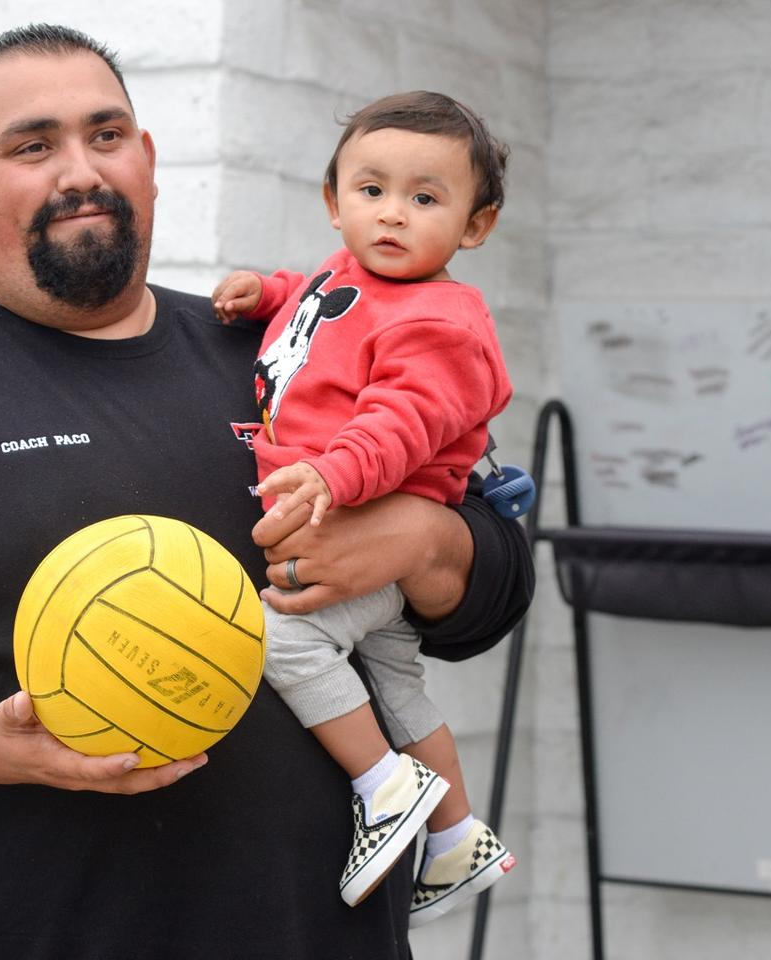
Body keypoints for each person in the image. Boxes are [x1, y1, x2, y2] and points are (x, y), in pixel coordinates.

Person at [0, 25, 532, 960]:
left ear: (147, 161)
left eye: (106, 136)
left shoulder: (273, 353)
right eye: (31, 145)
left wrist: (426, 542)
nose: (80, 170)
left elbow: (489, 591)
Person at [212, 91, 518, 920]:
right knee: (400, 690)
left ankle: (384, 786)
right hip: (339, 525)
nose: (392, 215)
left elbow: (403, 421)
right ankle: (457, 838)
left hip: (367, 535)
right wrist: (263, 291)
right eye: (371, 190)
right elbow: (315, 307)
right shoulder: (347, 275)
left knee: (276, 635)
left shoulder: (442, 321)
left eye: (425, 198)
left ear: (474, 226)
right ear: (333, 203)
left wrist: (333, 478)